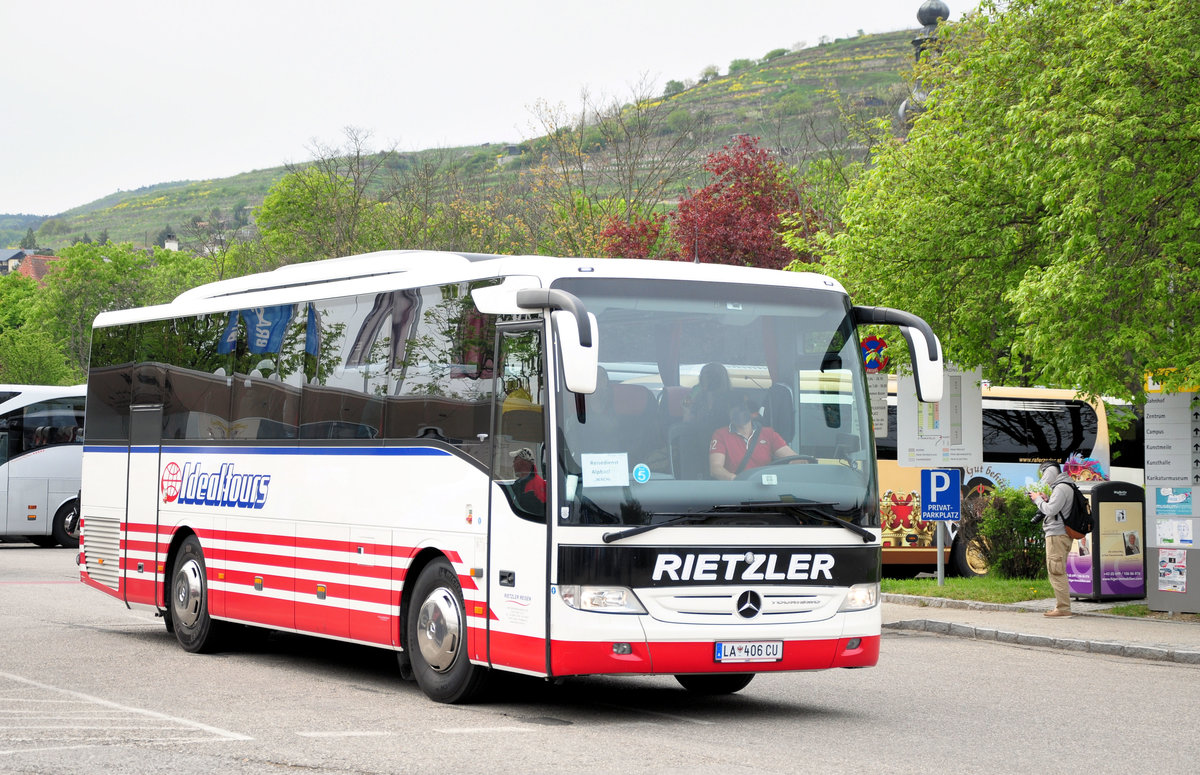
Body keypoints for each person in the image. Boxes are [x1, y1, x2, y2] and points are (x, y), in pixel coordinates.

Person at [709, 403, 804, 481]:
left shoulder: (769, 434)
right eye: (734, 409)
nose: (739, 413)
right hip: (735, 492)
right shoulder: (720, 434)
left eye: (742, 409)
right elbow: (716, 468)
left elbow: (794, 459)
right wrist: (737, 480)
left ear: (753, 414)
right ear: (728, 414)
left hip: (765, 490)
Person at [1030, 460, 1074, 618]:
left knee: (1056, 571)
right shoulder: (1064, 486)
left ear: (1050, 472)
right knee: (1057, 569)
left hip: (1057, 534)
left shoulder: (1061, 488)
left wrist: (1038, 499)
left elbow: (1051, 510)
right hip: (1061, 533)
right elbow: (1057, 508)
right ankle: (1062, 606)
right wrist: (1047, 498)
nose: (1044, 478)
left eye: (1044, 473)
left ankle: (1063, 608)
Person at [509, 447, 546, 515]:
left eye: (515, 461)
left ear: (523, 463)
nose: (513, 465)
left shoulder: (532, 487)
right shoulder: (522, 482)